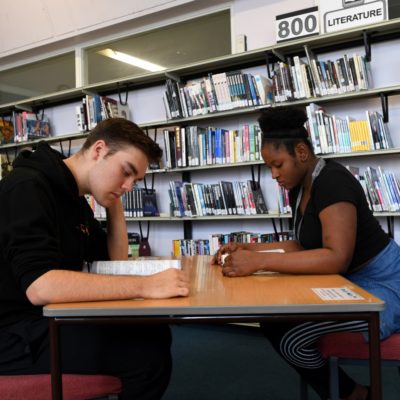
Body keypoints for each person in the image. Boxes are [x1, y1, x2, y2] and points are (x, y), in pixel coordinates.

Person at [213, 106, 400, 400]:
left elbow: (335, 256)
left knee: (291, 340)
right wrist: (248, 247)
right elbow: (303, 244)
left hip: (382, 285)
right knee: (275, 323)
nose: (274, 175)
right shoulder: (299, 186)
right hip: (348, 283)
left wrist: (259, 261)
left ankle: (355, 395)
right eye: (269, 168)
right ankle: (348, 393)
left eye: (278, 164)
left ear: (301, 151)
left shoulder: (333, 181)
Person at [0, 117, 190, 400]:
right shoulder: (27, 187)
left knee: (154, 333)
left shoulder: (73, 196)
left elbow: (114, 259)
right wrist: (145, 286)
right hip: (13, 334)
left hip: (44, 319)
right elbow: (40, 286)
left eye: (134, 181)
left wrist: (114, 202)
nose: (128, 186)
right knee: (146, 356)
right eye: (126, 172)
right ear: (99, 150)